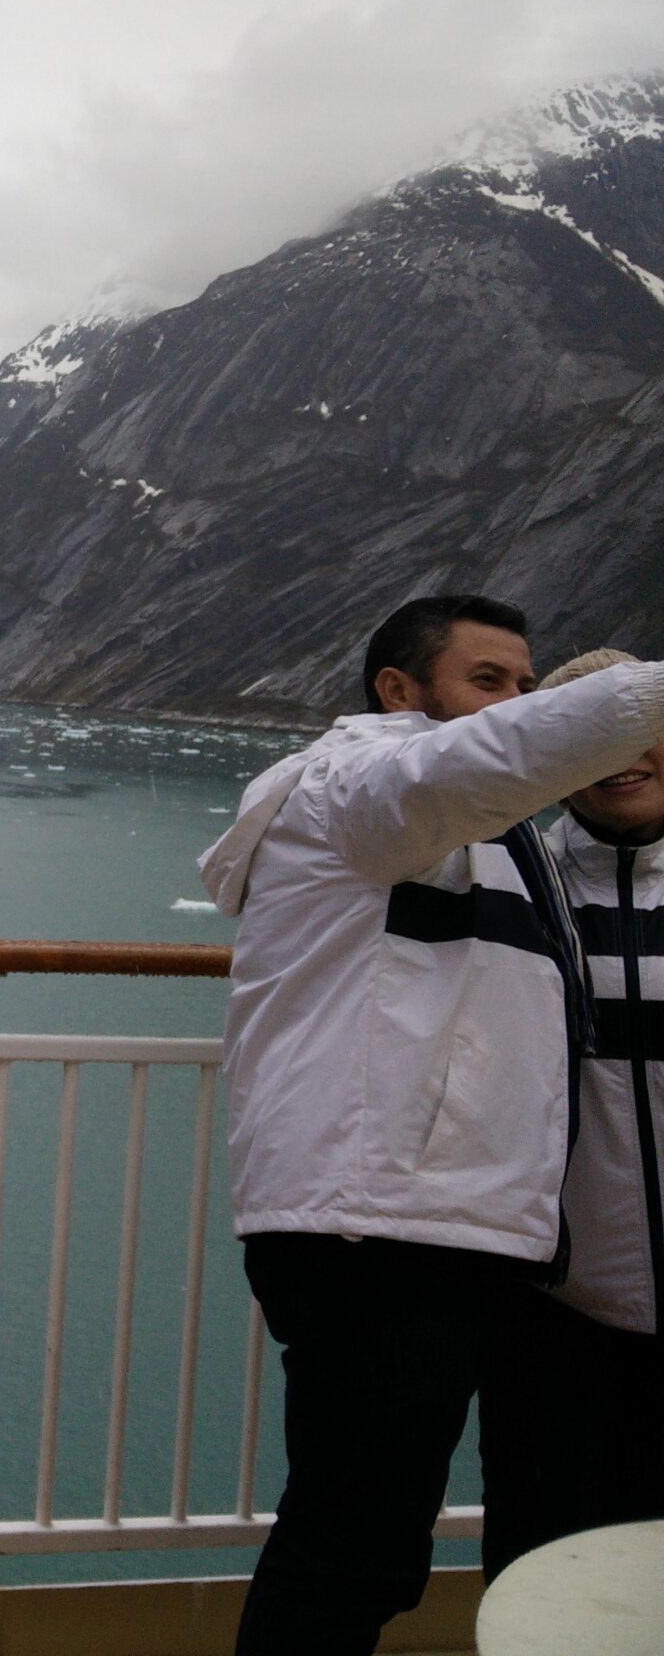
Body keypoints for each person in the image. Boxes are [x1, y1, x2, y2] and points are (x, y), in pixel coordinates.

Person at [197, 594, 664, 1656]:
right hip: (378, 1229)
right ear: (398, 693)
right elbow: (483, 763)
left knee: (366, 1540)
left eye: (521, 684)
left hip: (447, 1234)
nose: (512, 704)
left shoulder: (496, 840)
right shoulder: (368, 779)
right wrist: (630, 696)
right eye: (485, 680)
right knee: (352, 1546)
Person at [479, 647, 664, 1579]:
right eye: (586, 735)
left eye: (636, 728)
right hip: (556, 1309)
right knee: (544, 1565)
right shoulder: (512, 885)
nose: (620, 755)